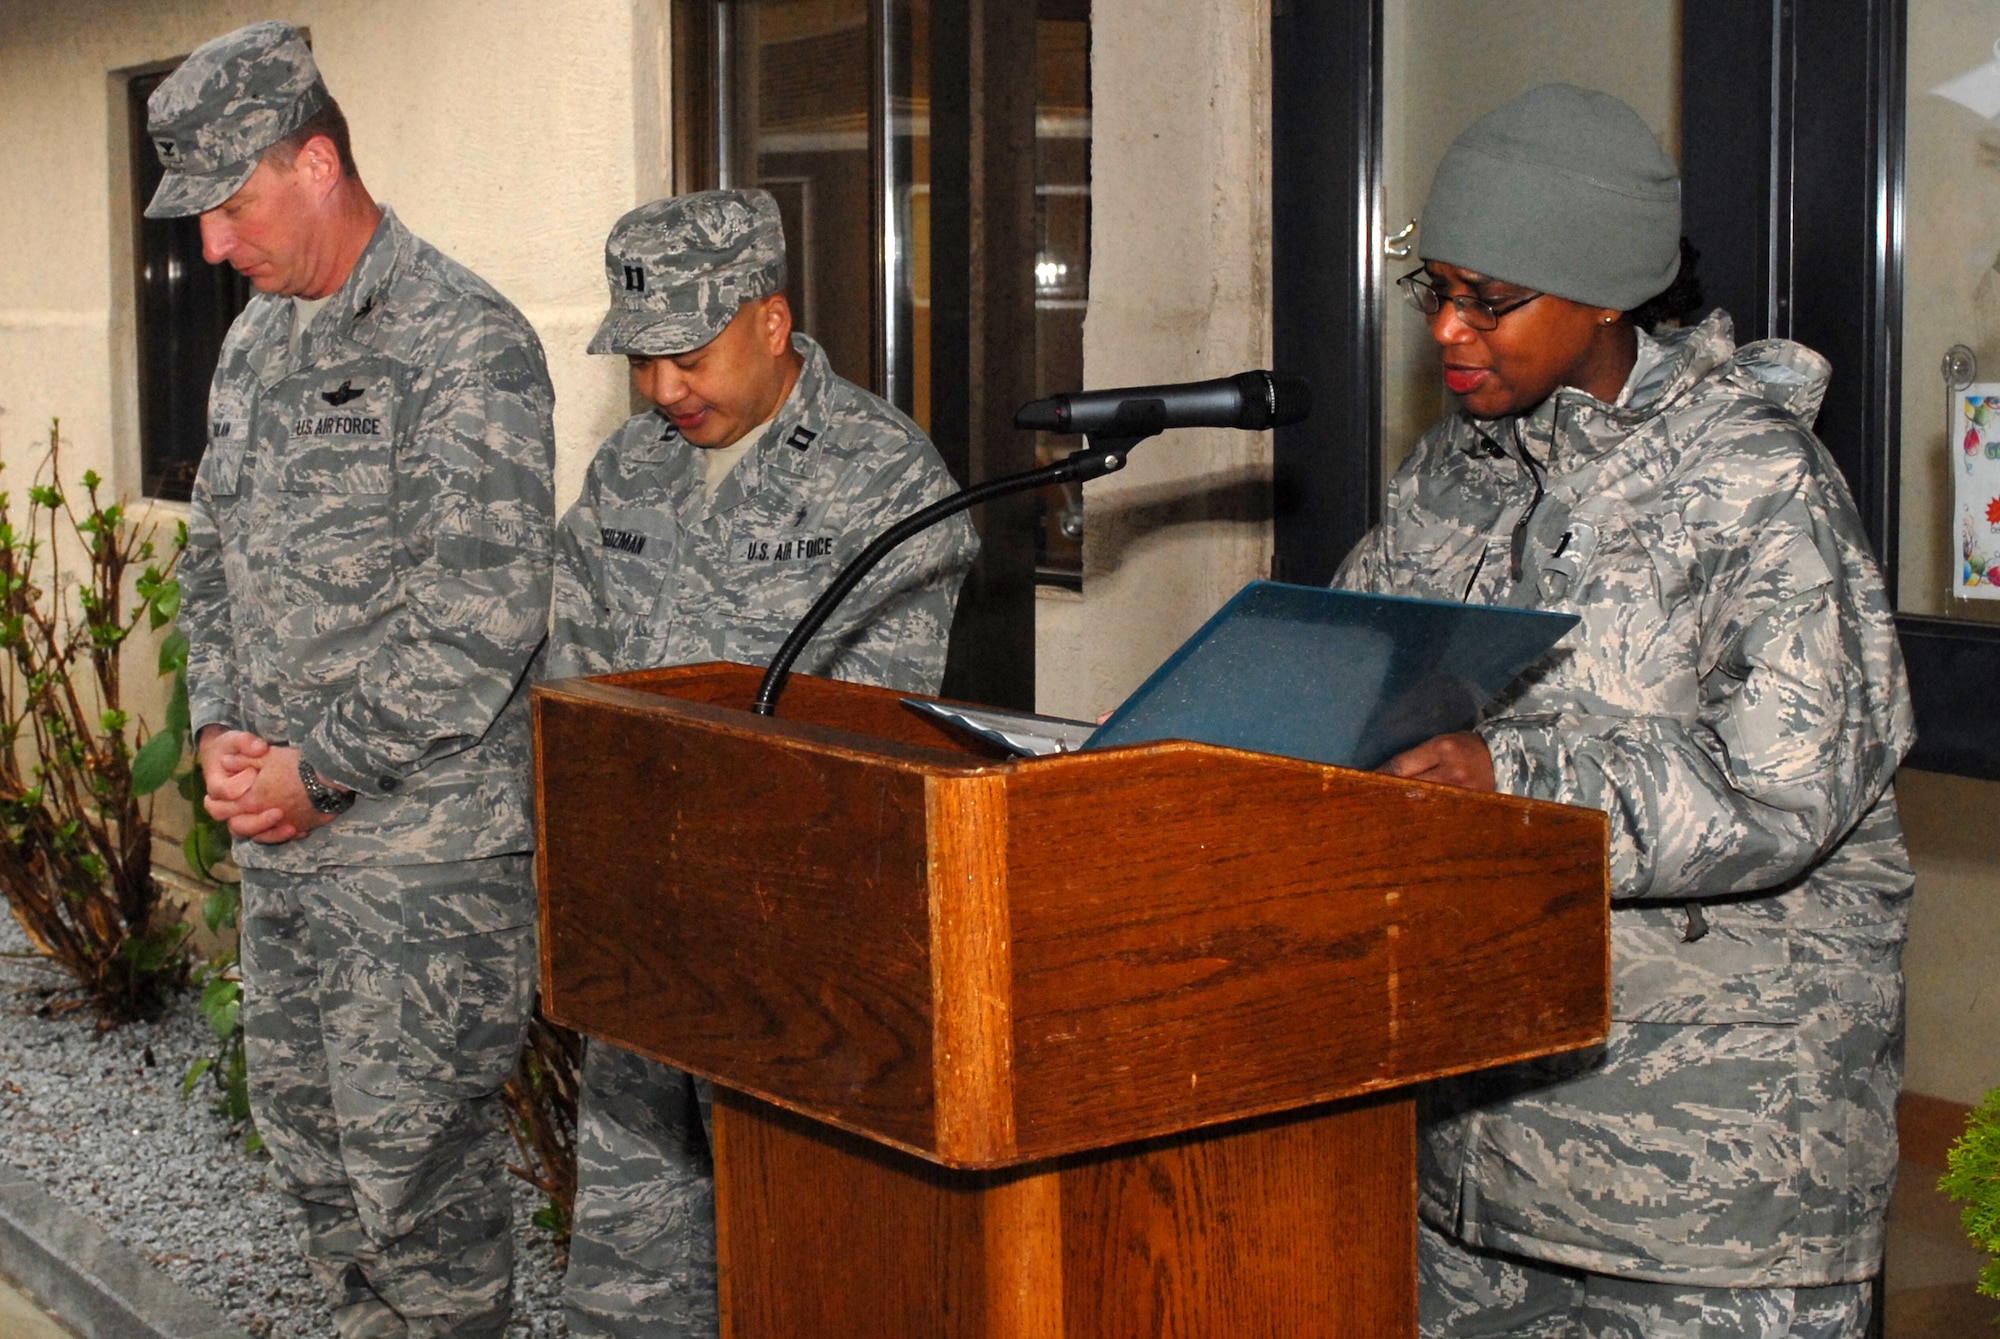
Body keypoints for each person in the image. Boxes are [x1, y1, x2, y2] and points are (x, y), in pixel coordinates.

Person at [1338, 84, 1914, 1338]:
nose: (1447, 327)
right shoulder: (1454, 469)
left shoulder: (1756, 480)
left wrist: (1512, 779)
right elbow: (1367, 672)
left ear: (1603, 293)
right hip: (1477, 1158)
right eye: (1432, 287)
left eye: (1490, 299)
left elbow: (1780, 790)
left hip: (1712, 1192)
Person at [153, 22, 556, 1337]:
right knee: (320, 1176)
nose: (213, 246)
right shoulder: (256, 346)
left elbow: (480, 615)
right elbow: (210, 549)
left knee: (420, 1203)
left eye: (229, 203)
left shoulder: (463, 340)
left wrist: (314, 770)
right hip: (288, 855)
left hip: (418, 870)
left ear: (314, 160)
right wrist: (218, 719)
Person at [545, 189, 978, 1338]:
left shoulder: (884, 481)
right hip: (638, 930)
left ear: (771, 322)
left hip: (791, 947)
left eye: (685, 356)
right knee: (630, 1274)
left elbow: (870, 734)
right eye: (640, 362)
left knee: (796, 1261)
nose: (661, 391)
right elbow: (573, 678)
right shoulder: (628, 473)